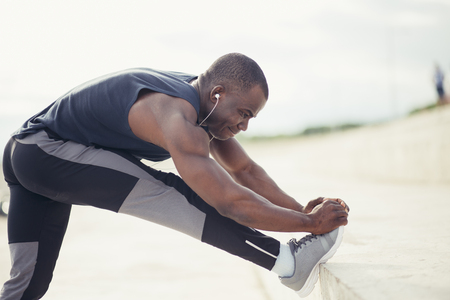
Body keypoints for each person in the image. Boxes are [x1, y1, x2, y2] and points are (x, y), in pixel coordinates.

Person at [1, 53, 349, 299]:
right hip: (45, 153)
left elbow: (245, 171)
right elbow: (230, 202)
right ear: (218, 94)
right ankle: (288, 263)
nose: (243, 125)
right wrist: (309, 226)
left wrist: (302, 212)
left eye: (251, 119)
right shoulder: (176, 113)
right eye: (243, 113)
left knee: (28, 285)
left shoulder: (206, 108)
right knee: (172, 194)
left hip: (23, 152)